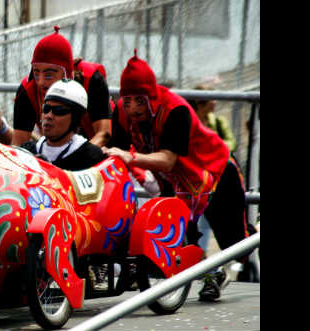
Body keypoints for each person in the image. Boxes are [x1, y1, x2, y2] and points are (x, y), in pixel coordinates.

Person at [104, 50, 248, 302]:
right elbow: (119, 155)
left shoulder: (175, 110)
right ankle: (211, 274)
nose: (133, 108)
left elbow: (168, 161)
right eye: (127, 101)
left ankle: (237, 249)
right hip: (176, 181)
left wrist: (133, 160)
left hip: (214, 171)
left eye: (139, 101)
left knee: (235, 241)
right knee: (179, 231)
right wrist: (139, 178)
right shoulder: (121, 114)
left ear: (151, 97)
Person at [12, 26, 112, 148]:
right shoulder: (27, 90)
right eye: (36, 73)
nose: (40, 82)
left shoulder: (92, 80)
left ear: (67, 74)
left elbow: (104, 134)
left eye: (48, 75)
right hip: (55, 151)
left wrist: (77, 156)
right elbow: (18, 145)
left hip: (102, 150)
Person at [186, 83, 238, 256]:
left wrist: (214, 149)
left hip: (217, 171)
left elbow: (230, 142)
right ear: (201, 103)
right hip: (198, 176)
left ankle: (207, 264)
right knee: (199, 223)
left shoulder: (217, 121)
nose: (215, 102)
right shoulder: (190, 121)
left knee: (216, 224)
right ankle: (201, 259)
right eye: (212, 99)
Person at [19, 79, 107, 170]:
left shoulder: (91, 157)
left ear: (75, 118)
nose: (48, 116)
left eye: (58, 111)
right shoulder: (26, 151)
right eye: (46, 108)